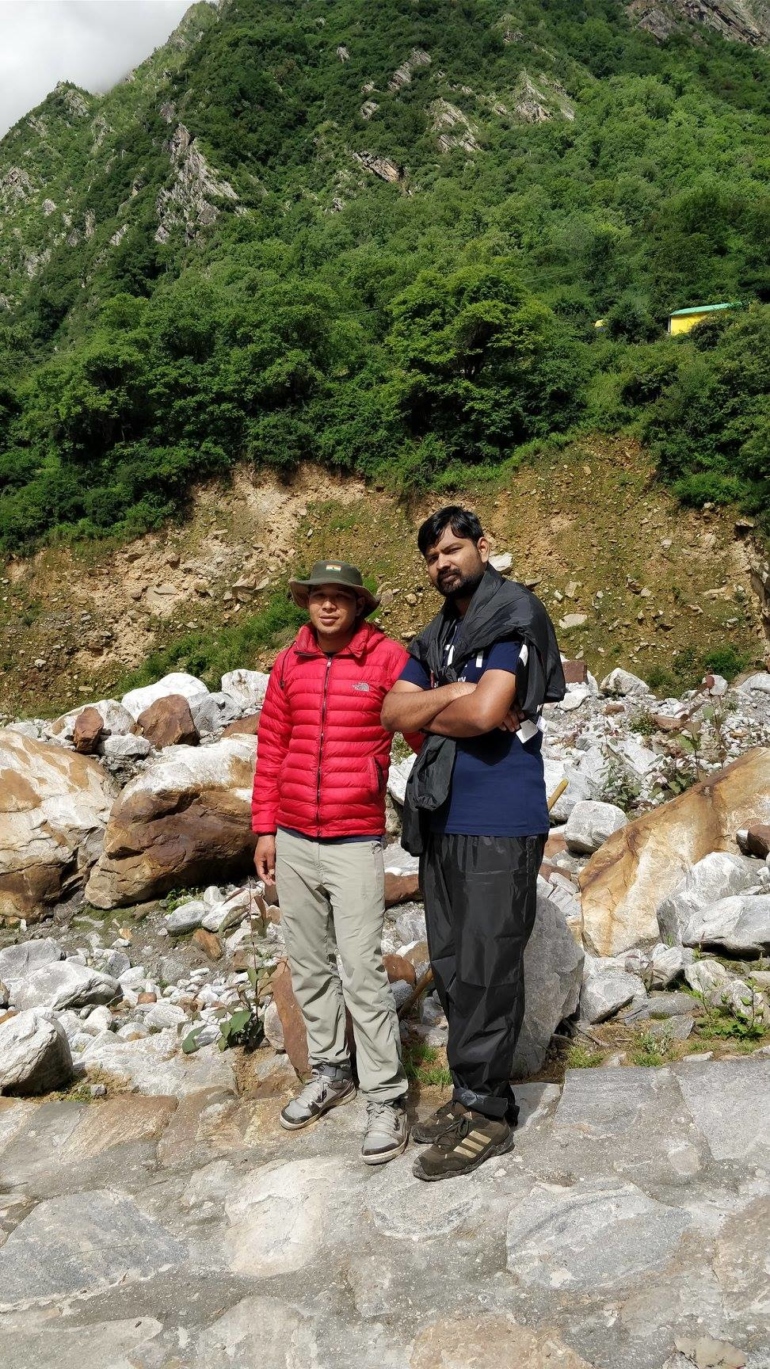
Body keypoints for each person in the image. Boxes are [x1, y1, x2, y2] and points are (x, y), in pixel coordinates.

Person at [381, 507, 565, 1182]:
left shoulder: (512, 612)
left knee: (489, 965)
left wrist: (443, 700)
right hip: (444, 816)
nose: (443, 563)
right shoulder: (440, 631)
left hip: (499, 816)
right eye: (432, 556)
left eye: (453, 549)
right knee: (456, 964)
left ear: (483, 547)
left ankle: (489, 1114)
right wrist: (457, 690)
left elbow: (489, 714)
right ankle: (470, 1094)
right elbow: (391, 710)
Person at [251, 560, 421, 1165]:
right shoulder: (289, 663)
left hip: (355, 838)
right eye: (317, 596)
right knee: (308, 963)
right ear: (306, 604)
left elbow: (422, 732)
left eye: (339, 597)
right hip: (293, 834)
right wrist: (264, 828)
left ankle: (386, 1096)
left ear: (357, 604)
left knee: (362, 969)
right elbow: (272, 746)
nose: (327, 606)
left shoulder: (387, 659)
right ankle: (330, 1071)